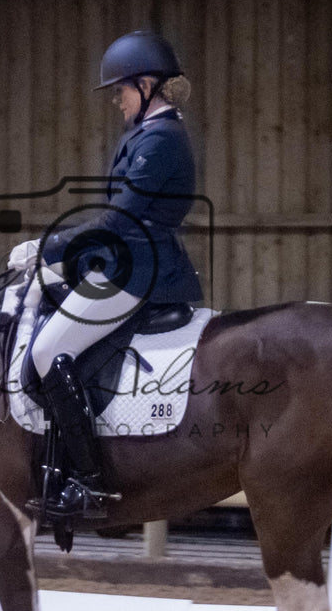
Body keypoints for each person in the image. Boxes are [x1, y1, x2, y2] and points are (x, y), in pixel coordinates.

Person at [24, 30, 203, 521]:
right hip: (125, 262)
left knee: (47, 350)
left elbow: (119, 220)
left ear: (147, 85)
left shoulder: (162, 140)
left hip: (143, 271)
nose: (117, 102)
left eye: (122, 90)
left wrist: (51, 248)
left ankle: (91, 482)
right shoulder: (145, 135)